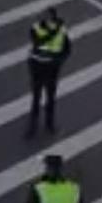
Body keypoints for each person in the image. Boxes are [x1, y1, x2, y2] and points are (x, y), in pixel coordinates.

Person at [25, 8, 71, 138]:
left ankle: (49, 125)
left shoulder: (62, 30)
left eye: (48, 17)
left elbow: (67, 48)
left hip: (52, 68)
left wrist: (59, 61)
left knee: (50, 98)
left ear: (53, 18)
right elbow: (38, 42)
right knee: (36, 97)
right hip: (37, 66)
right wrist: (54, 31)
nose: (44, 19)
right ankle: (32, 126)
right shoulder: (36, 28)